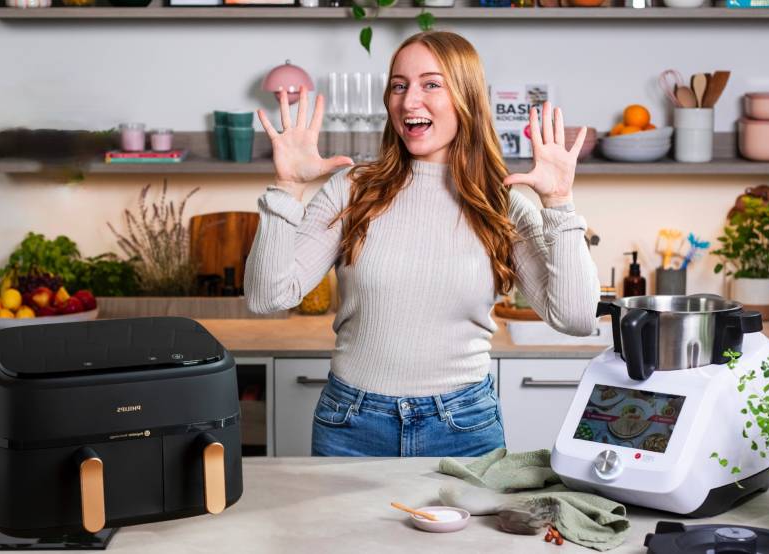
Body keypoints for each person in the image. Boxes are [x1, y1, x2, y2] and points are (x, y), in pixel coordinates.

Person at [245, 31, 599, 457]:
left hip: (463, 427)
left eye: (431, 84)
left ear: (465, 97)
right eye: (399, 85)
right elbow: (267, 297)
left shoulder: (500, 206)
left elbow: (577, 317)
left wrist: (559, 203)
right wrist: (286, 188)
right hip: (351, 425)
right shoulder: (353, 190)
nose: (409, 101)